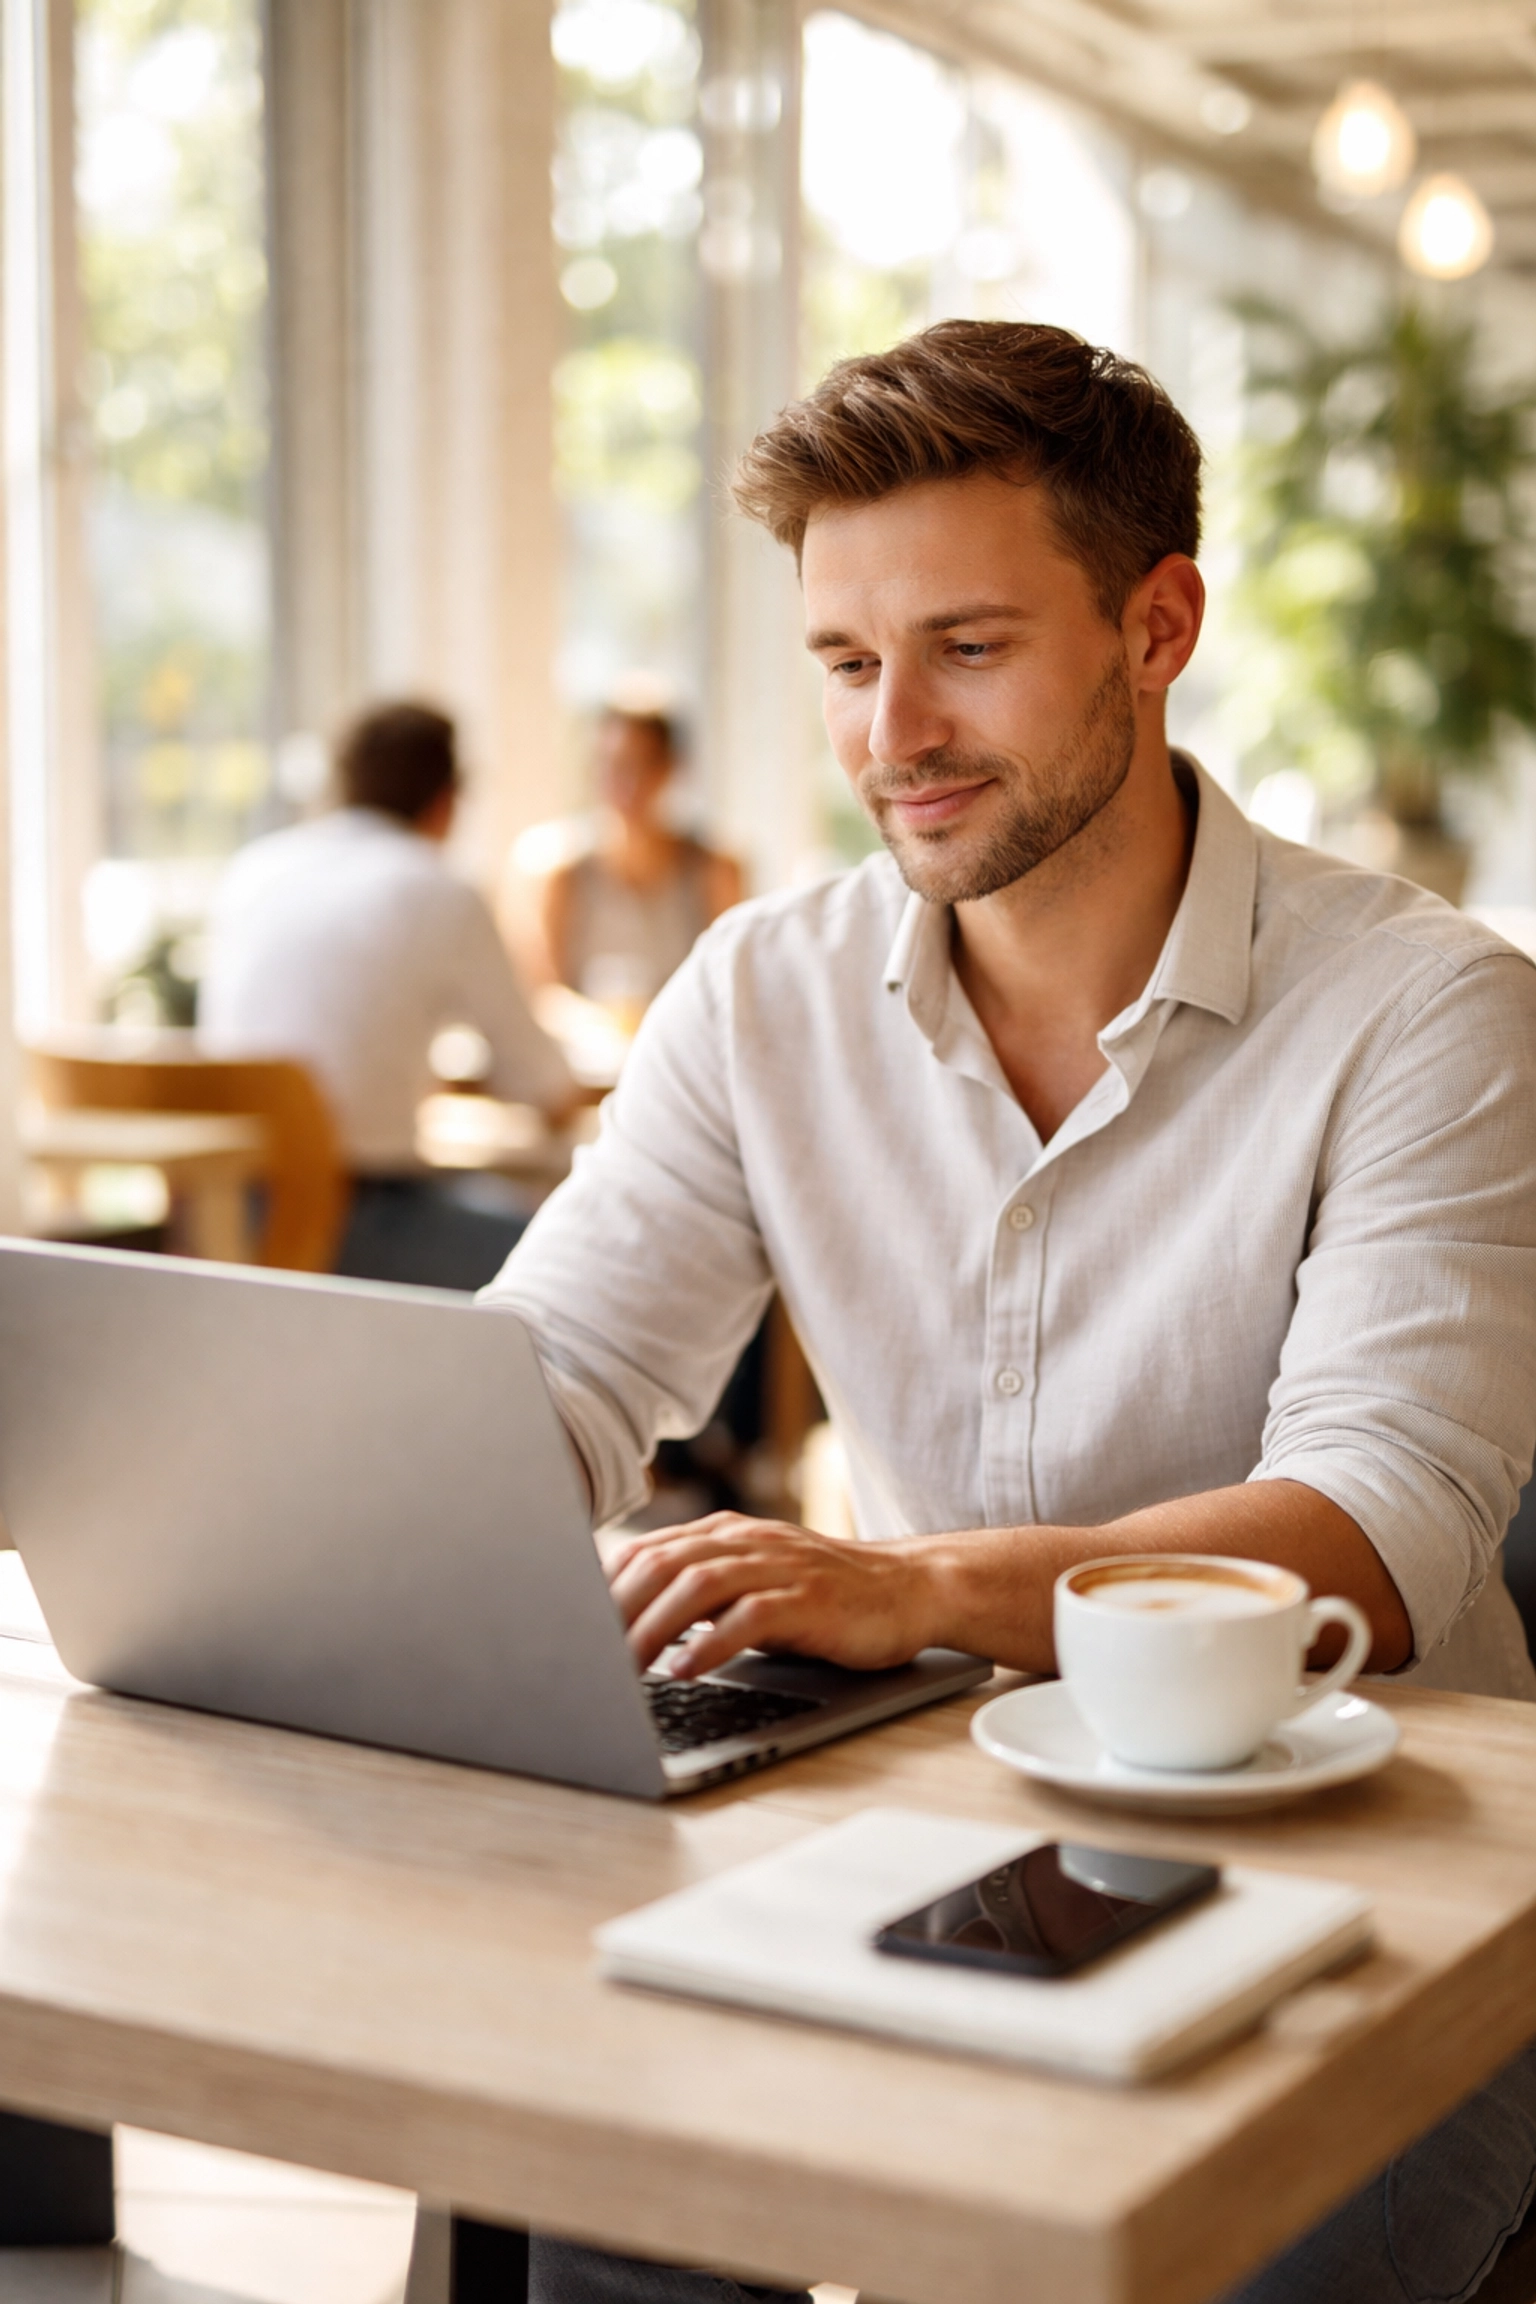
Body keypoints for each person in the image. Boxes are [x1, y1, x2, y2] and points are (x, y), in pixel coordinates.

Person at [485, 322, 1536, 2303]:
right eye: (847, 663)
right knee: (625, 2199)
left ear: (1159, 627)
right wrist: (367, 1510)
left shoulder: (1429, 1011)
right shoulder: (757, 994)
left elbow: (1371, 1541)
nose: (894, 733)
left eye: (967, 647)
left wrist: (915, 1589)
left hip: (1384, 1887)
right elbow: (559, 1374)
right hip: (939, 1830)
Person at [200, 700, 577, 1292]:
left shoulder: (255, 869)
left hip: (222, 1221)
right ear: (447, 799)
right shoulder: (438, 890)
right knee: (579, 1267)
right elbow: (545, 1084)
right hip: (351, 1225)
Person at [540, 706, 743, 1020]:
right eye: (610, 766)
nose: (626, 783)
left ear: (670, 769)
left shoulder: (715, 870)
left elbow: (732, 984)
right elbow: (544, 993)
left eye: (640, 765)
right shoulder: (561, 874)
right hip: (592, 1057)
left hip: (684, 1050)